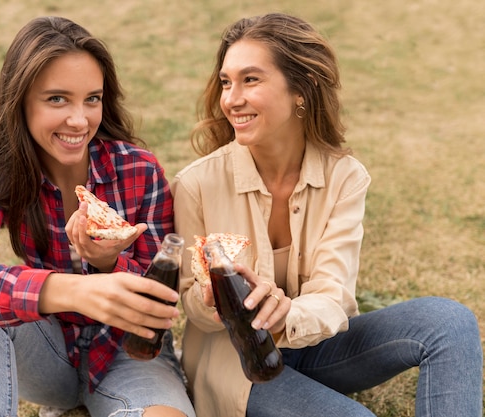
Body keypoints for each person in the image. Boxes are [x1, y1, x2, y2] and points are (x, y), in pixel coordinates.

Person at [171, 12, 483, 417]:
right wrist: (215, 298)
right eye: (227, 82)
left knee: (449, 321)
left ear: (300, 89)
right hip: (237, 364)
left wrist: (287, 313)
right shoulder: (196, 184)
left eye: (251, 79)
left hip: (314, 345)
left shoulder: (344, 177)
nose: (231, 98)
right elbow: (189, 304)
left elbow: (333, 292)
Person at [0, 16, 195, 417]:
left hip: (133, 356)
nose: (80, 120)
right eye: (57, 99)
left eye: (92, 98)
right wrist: (70, 291)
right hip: (50, 355)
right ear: (20, 103)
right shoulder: (7, 176)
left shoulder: (138, 169)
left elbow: (158, 306)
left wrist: (108, 264)